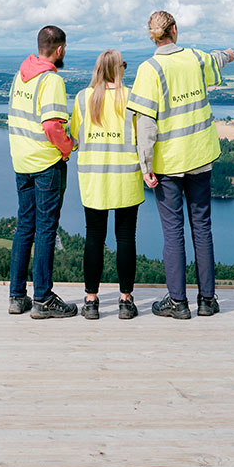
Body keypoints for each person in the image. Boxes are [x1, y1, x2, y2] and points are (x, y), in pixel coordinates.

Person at [127, 10, 234, 319]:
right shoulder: (194, 59)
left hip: (168, 164)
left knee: (172, 232)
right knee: (202, 227)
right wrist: (229, 54)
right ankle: (207, 300)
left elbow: (145, 123)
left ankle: (177, 303)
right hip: (200, 158)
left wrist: (144, 164)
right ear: (174, 30)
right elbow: (215, 59)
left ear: (154, 35)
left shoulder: (149, 69)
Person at [7, 24, 77, 319]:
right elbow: (51, 125)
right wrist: (67, 146)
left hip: (21, 161)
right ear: (59, 49)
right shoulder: (51, 81)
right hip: (46, 164)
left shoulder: (20, 77)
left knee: (26, 227)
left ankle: (16, 296)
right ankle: (43, 300)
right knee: (46, 229)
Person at [69, 49, 144, 321]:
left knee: (94, 239)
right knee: (126, 239)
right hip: (126, 180)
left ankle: (91, 301)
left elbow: (75, 138)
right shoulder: (132, 97)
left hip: (93, 181)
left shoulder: (82, 98)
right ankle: (125, 301)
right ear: (120, 69)